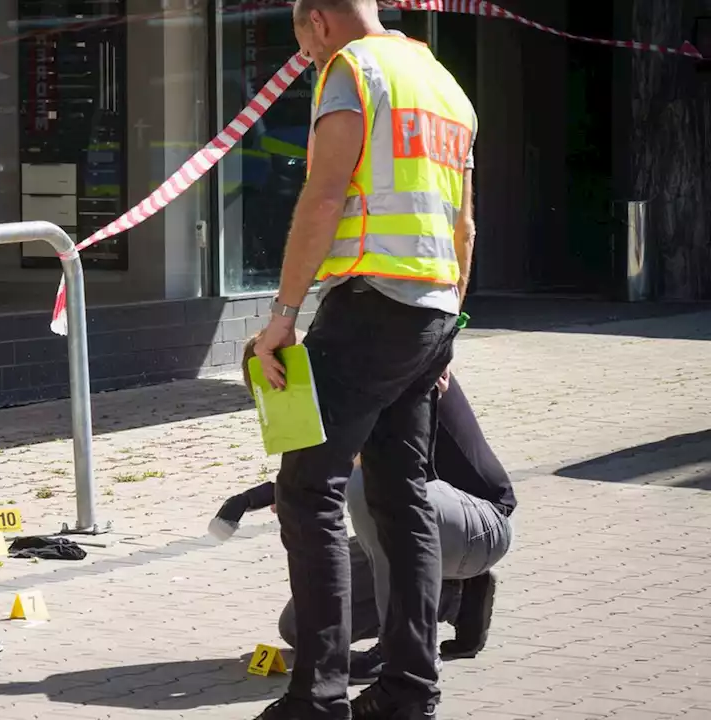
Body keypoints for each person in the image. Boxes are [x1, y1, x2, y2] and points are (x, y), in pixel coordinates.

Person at [249, 1, 479, 717]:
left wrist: (282, 316)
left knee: (309, 488)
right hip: (431, 308)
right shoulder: (443, 83)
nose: (311, 60)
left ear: (318, 22)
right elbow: (464, 225)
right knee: (399, 494)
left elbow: (323, 195)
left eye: (305, 45)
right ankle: (410, 689)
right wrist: (447, 330)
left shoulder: (353, 69)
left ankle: (316, 698)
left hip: (370, 302)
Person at [210, 337, 516, 685]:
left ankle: (402, 649)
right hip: (422, 530)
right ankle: (457, 598)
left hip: (481, 526)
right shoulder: (330, 403)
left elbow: (357, 467)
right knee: (302, 627)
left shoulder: (380, 377)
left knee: (370, 484)